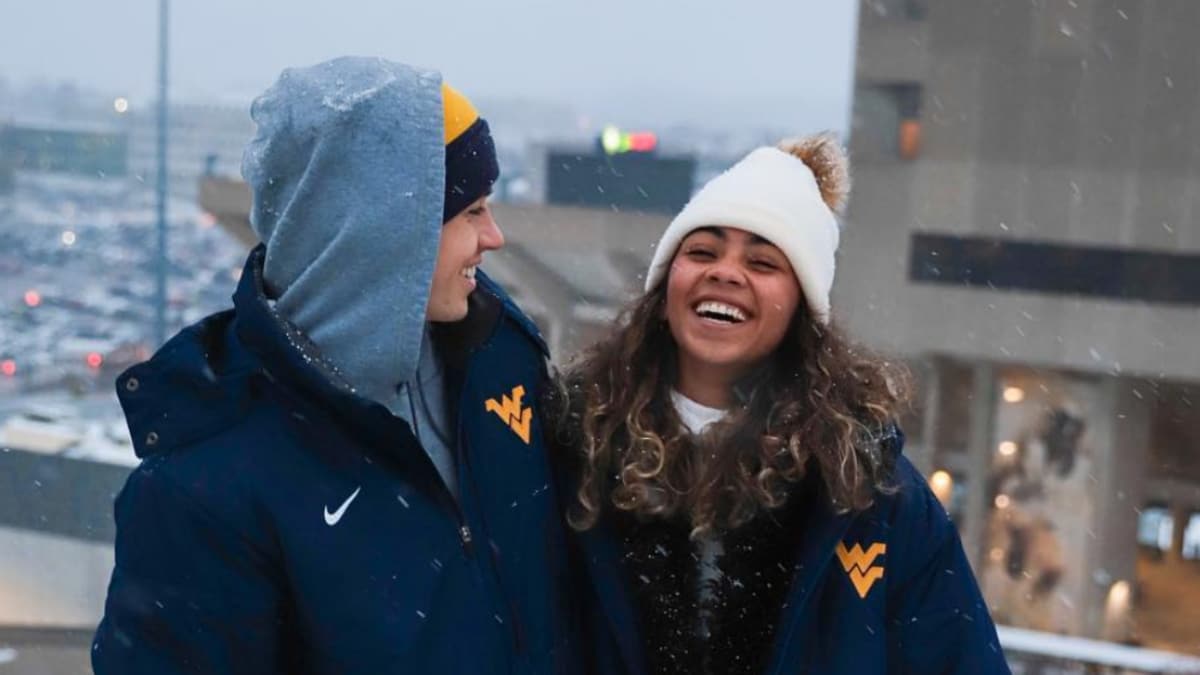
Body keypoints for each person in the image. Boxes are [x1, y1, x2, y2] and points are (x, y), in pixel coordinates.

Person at [93, 57, 579, 675]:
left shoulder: (498, 358)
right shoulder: (203, 489)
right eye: (472, 211)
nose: (495, 237)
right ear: (382, 236)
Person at [548, 134, 1011, 674]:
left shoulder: (872, 496)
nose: (724, 272)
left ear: (802, 307)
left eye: (763, 263)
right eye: (701, 251)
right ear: (664, 285)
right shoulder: (568, 449)